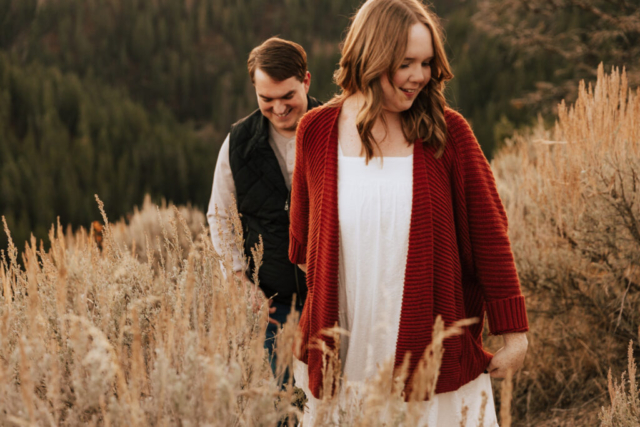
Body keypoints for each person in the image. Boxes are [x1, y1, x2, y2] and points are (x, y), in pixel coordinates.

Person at [288, 0, 529, 425]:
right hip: (346, 359)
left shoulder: (448, 133)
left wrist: (515, 335)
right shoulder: (315, 130)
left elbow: (490, 237)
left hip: (433, 363)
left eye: (426, 63)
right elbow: (305, 244)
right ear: (370, 56)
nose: (420, 75)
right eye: (405, 64)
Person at [206, 37, 321, 385]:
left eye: (288, 96)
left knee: (338, 398)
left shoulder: (336, 129)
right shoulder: (238, 142)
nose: (279, 108)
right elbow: (220, 215)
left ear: (306, 81)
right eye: (266, 99)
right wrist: (238, 279)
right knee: (286, 402)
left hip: (332, 300)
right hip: (273, 307)